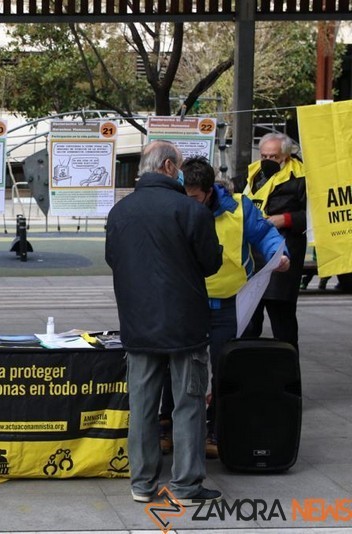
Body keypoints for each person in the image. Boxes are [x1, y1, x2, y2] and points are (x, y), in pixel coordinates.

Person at [105, 140, 223, 506]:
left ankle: (142, 483)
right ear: (170, 167)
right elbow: (211, 263)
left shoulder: (120, 212)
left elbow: (113, 260)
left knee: (142, 406)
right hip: (185, 326)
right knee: (188, 404)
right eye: (181, 166)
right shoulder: (191, 212)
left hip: (138, 324)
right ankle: (186, 485)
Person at [159, 156, 289, 459]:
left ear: (209, 191)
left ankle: (216, 428)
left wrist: (279, 256)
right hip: (185, 300)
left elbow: (267, 235)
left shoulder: (239, 208)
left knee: (223, 365)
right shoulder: (176, 205)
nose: (188, 203)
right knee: (171, 361)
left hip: (226, 303)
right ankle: (166, 424)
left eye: (194, 198)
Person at [242, 132, 307, 353]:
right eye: (264, 156)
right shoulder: (252, 176)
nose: (268, 161)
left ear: (287, 157)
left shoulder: (301, 178)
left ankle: (288, 378)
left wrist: (285, 219)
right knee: (248, 323)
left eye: (274, 157)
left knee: (283, 321)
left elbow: (314, 215)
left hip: (283, 254)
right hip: (252, 256)